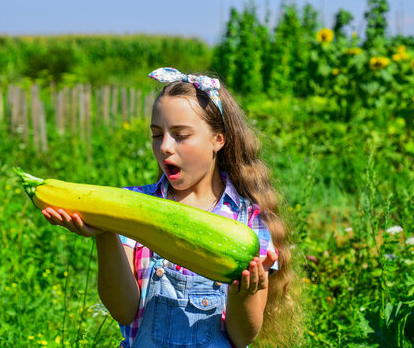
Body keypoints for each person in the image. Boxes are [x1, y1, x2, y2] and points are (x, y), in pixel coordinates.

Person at [41, 67, 295, 347]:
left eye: (180, 135)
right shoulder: (132, 206)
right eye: (157, 135)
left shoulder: (248, 219)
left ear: (217, 139)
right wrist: (105, 231)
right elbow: (123, 310)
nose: (164, 147)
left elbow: (242, 335)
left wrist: (244, 294)